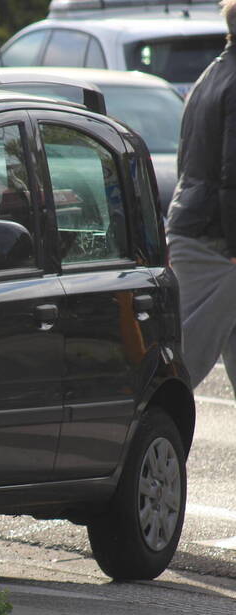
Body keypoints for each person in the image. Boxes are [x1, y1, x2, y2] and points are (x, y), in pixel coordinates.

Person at [165, 0, 236, 393]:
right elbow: (232, 174)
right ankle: (136, 440)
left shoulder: (211, 74)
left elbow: (186, 158)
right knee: (179, 367)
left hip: (196, 229)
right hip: (218, 243)